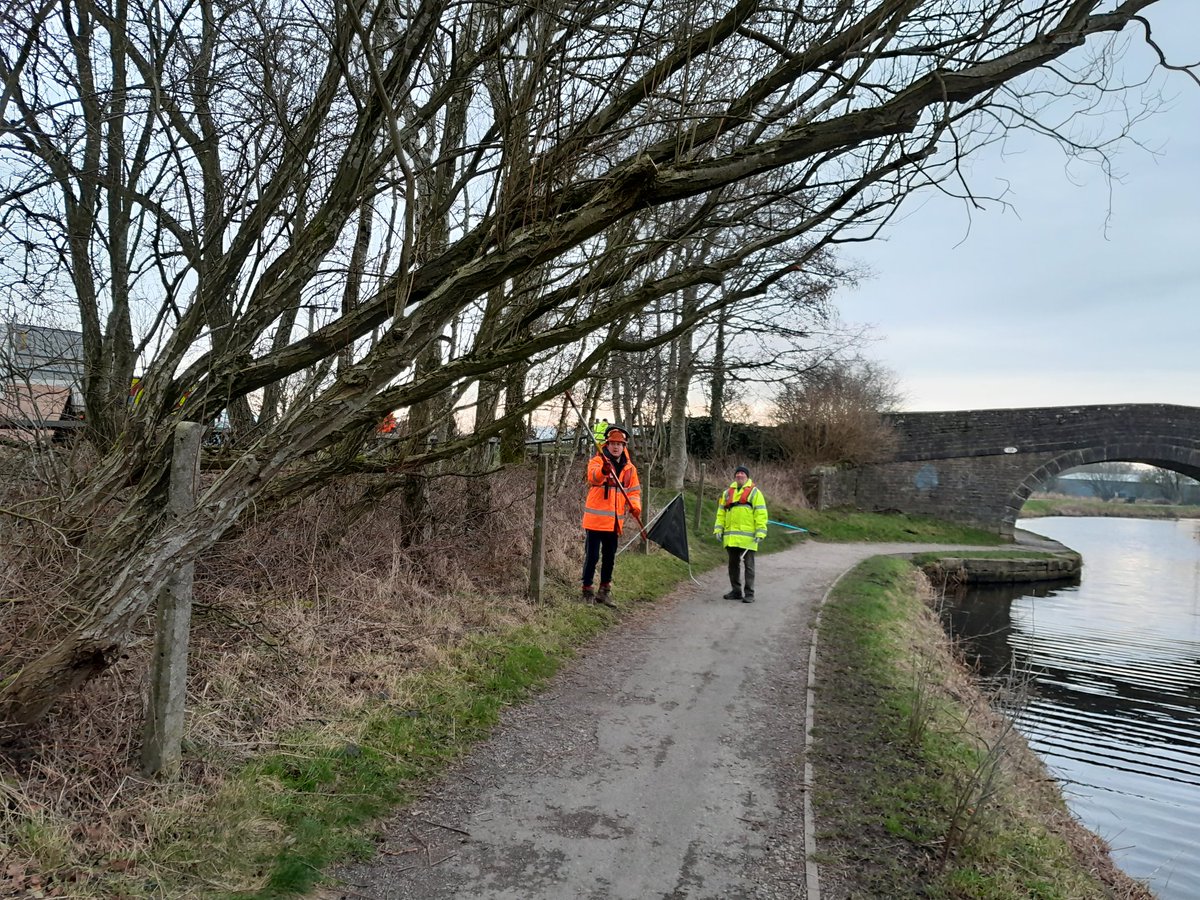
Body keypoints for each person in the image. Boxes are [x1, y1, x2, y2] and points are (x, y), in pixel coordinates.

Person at [581, 424, 642, 606]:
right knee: (592, 557)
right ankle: (587, 591)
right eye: (613, 443)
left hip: (615, 521)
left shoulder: (630, 468)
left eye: (620, 444)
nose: (616, 447)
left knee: (610, 557)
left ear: (624, 446)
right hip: (595, 521)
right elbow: (593, 478)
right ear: (607, 444)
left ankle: (604, 591)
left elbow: (633, 491)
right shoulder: (597, 462)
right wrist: (604, 471)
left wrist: (635, 506)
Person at [713, 465, 768, 603]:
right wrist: (718, 529)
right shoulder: (726, 494)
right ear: (735, 477)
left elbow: (761, 513)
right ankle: (736, 591)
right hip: (731, 537)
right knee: (733, 565)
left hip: (748, 538)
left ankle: (749, 594)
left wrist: (761, 531)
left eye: (742, 474)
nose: (740, 476)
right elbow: (721, 513)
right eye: (738, 474)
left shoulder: (755, 493)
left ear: (747, 477)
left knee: (749, 566)